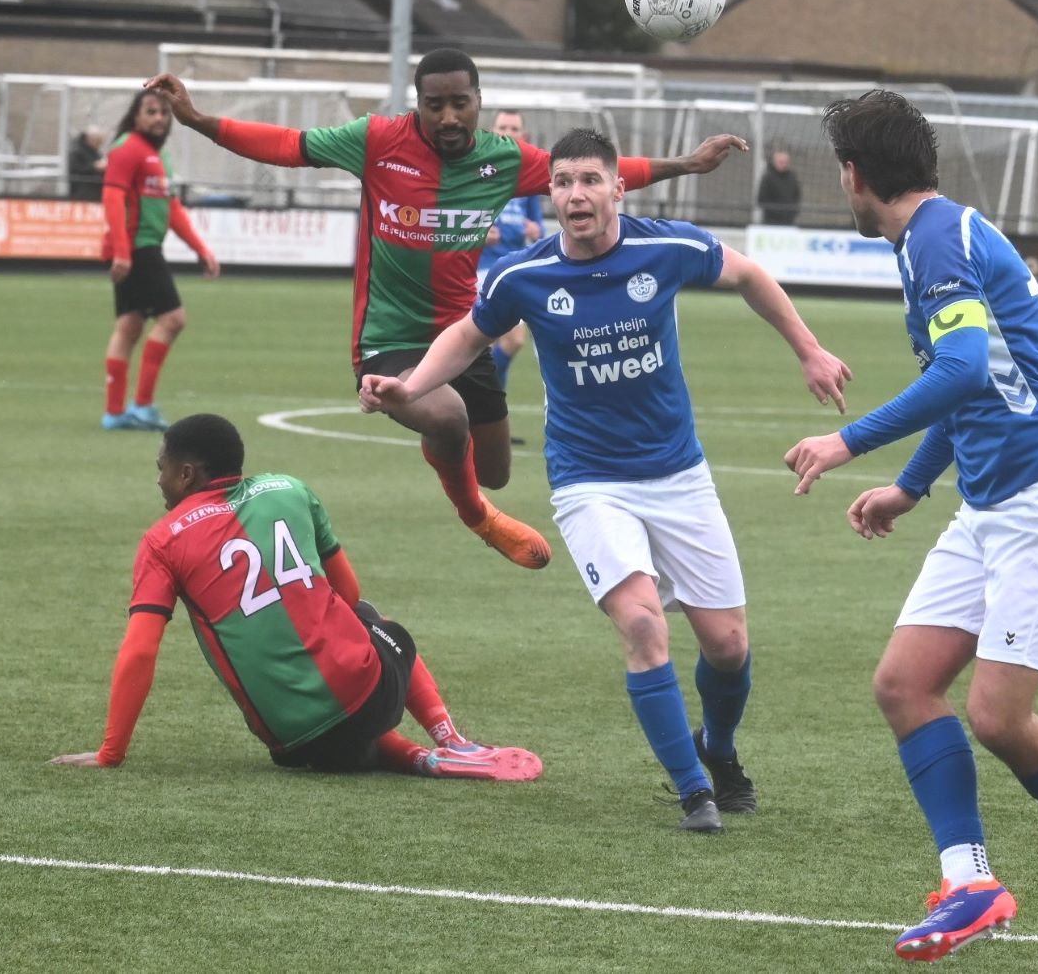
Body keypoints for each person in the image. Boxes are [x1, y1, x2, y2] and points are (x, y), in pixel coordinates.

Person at [360, 128, 853, 832]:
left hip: (678, 474)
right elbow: (468, 335)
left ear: (618, 188)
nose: (576, 194)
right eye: (563, 182)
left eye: (590, 179)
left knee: (728, 648)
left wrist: (809, 350)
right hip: (589, 481)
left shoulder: (664, 248)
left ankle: (716, 749)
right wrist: (409, 388)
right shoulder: (523, 275)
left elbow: (748, 275)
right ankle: (694, 791)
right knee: (643, 624)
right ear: (551, 194)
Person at [143, 49, 749, 572]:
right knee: (447, 415)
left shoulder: (503, 160)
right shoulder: (378, 141)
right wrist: (197, 119)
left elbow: (600, 176)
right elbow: (286, 145)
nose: (449, 116)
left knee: (495, 469)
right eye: (435, 105)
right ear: (418, 105)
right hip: (388, 340)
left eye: (460, 103)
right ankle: (478, 517)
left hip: (464, 335)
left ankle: (459, 467)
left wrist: (686, 165)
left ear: (479, 101)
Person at [782, 90, 1038, 962]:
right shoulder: (933, 236)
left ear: (854, 176)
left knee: (997, 718)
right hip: (995, 505)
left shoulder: (934, 241)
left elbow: (964, 369)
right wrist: (909, 485)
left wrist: (847, 441)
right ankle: (969, 882)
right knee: (904, 685)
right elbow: (968, 379)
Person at [49, 413, 543, 781]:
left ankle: (418, 758)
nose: (157, 479)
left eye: (161, 468)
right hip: (370, 694)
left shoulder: (162, 540)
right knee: (371, 618)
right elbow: (349, 594)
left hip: (292, 742)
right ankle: (451, 741)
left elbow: (141, 650)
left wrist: (111, 753)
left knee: (343, 742)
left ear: (186, 474)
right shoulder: (289, 488)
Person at [99, 88, 220, 432]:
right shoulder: (127, 148)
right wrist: (122, 251)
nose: (159, 118)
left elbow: (171, 208)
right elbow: (112, 198)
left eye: (164, 113)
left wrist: (201, 249)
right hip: (137, 247)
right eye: (151, 111)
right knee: (173, 319)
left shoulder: (159, 155)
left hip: (143, 246)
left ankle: (114, 413)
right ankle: (142, 406)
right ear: (136, 116)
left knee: (130, 325)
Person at [479, 109, 544, 392]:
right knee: (500, 340)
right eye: (502, 127)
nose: (508, 133)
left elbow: (538, 226)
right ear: (492, 132)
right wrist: (478, 233)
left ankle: (487, 401)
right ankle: (486, 399)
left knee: (504, 343)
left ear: (524, 136)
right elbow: (455, 222)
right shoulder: (479, 173)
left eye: (514, 128)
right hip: (481, 269)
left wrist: (535, 230)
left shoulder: (527, 177)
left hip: (513, 270)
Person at [756, 148, 801, 226]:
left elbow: (797, 196)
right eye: (781, 162)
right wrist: (776, 212)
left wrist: (793, 212)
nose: (784, 164)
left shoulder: (792, 177)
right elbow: (761, 199)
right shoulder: (768, 178)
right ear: (774, 162)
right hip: (771, 222)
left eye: (786, 162)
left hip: (789, 221)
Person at [67, 125, 107, 201]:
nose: (100, 144)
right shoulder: (77, 150)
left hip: (93, 191)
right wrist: (94, 167)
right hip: (82, 193)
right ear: (91, 139)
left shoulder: (94, 151)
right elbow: (75, 168)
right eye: (98, 141)